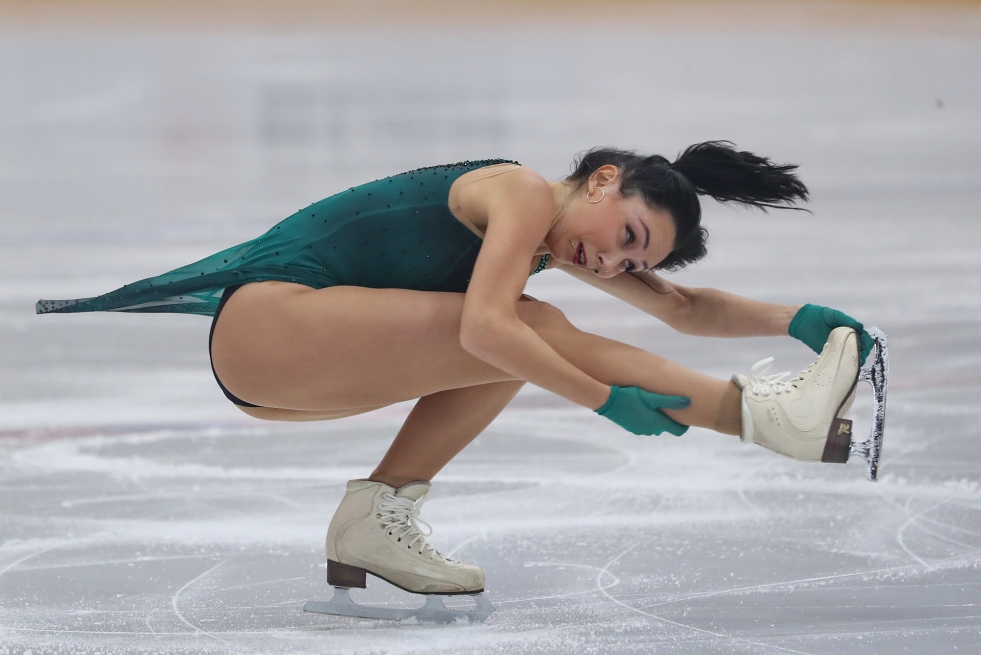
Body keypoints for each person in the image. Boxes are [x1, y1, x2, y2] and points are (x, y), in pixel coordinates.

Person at [37, 142, 874, 599]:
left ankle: (376, 515)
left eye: (632, 263)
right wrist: (603, 399)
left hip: (285, 364)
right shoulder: (519, 193)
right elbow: (483, 325)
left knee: (513, 341)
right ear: (602, 180)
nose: (613, 264)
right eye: (625, 238)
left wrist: (799, 318)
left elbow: (683, 309)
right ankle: (766, 418)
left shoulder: (555, 239)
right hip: (269, 326)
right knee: (517, 327)